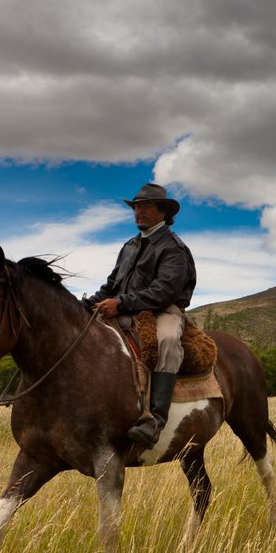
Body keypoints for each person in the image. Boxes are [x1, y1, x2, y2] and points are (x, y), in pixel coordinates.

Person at [85, 183, 196, 446]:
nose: (139, 212)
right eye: (136, 207)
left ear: (163, 212)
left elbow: (164, 291)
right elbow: (111, 285)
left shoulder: (174, 248)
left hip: (161, 310)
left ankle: (155, 420)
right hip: (122, 306)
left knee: (167, 341)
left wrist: (121, 303)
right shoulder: (129, 246)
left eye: (145, 207)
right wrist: (86, 306)